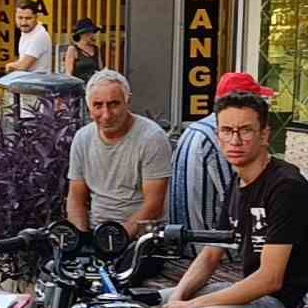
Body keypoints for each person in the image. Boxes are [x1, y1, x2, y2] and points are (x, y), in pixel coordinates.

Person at [163, 92, 308, 308]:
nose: (235, 140)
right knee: (151, 304)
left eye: (245, 130)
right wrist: (177, 296)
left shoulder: (285, 186)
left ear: (264, 134)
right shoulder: (239, 179)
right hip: (257, 297)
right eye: (227, 131)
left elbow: (270, 279)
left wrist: (188, 306)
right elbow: (211, 255)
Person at [66, 70, 171, 238]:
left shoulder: (151, 138)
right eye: (98, 105)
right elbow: (76, 198)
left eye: (114, 104)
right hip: (97, 231)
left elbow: (154, 206)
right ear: (88, 107)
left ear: (127, 101)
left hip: (142, 237)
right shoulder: (82, 138)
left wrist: (116, 241)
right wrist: (81, 238)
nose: (106, 115)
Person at [168, 72, 272, 239]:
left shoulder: (194, 129)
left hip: (185, 242)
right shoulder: (219, 139)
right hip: (212, 246)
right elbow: (238, 207)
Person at [3, 0, 52, 74]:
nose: (23, 22)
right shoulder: (26, 33)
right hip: (27, 82)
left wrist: (8, 66)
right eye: (20, 18)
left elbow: (23, 66)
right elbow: (22, 61)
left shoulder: (40, 35)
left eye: (28, 18)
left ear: (36, 17)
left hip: (37, 83)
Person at [63, 18, 103, 82]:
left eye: (93, 32)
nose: (93, 35)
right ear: (82, 34)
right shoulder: (73, 49)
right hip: (79, 87)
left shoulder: (96, 49)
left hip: (93, 87)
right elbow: (68, 74)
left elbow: (101, 71)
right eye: (90, 33)